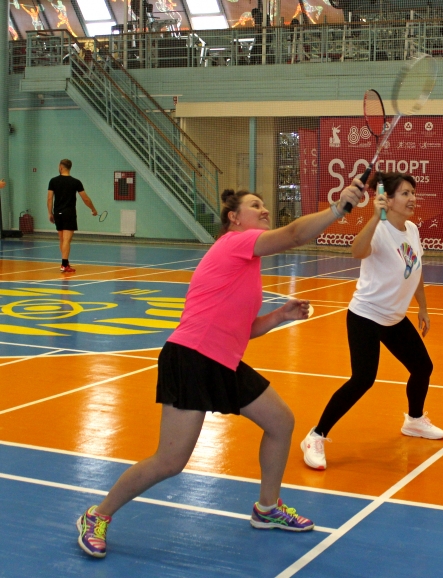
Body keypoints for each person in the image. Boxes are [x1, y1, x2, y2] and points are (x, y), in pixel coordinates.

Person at [76, 182, 365, 559]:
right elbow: (295, 234)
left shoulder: (247, 261)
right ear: (234, 217)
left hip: (223, 361)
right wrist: (338, 208)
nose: (264, 210)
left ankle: (267, 508)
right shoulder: (234, 243)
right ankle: (96, 516)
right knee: (170, 462)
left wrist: (279, 316)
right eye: (255, 205)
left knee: (280, 422)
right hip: (192, 357)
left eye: (263, 205)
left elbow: (243, 330)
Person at [301, 172, 443, 471]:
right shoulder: (378, 230)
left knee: (422, 367)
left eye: (413, 193)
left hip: (394, 318)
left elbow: (415, 269)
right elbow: (357, 251)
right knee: (363, 379)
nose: (412, 198)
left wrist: (423, 307)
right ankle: (316, 436)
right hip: (366, 315)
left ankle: (414, 420)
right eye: (405, 193)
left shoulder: (412, 230)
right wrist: (375, 218)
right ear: (387, 200)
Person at [47, 159, 97, 273]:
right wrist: (93, 209)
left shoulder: (53, 181)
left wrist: (50, 213)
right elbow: (85, 198)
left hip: (57, 213)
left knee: (62, 239)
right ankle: (64, 265)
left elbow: (49, 198)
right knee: (66, 240)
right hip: (69, 213)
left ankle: (65, 262)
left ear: (61, 167)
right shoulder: (76, 182)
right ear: (69, 168)